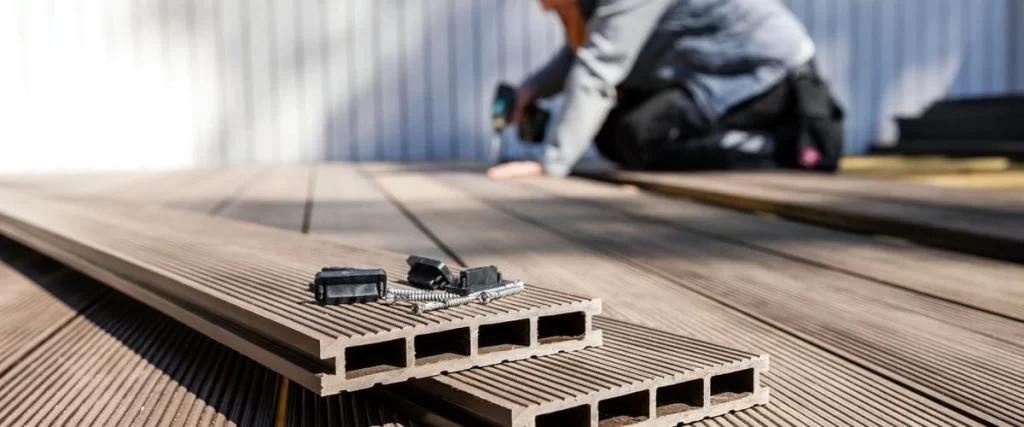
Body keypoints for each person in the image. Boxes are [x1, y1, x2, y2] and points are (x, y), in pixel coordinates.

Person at [488, 0, 844, 180]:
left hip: (765, 71)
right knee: (614, 134)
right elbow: (579, 55)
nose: (543, 5)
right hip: (712, 71)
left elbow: (597, 70)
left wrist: (550, 167)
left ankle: (781, 148)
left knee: (637, 134)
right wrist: (529, 91)